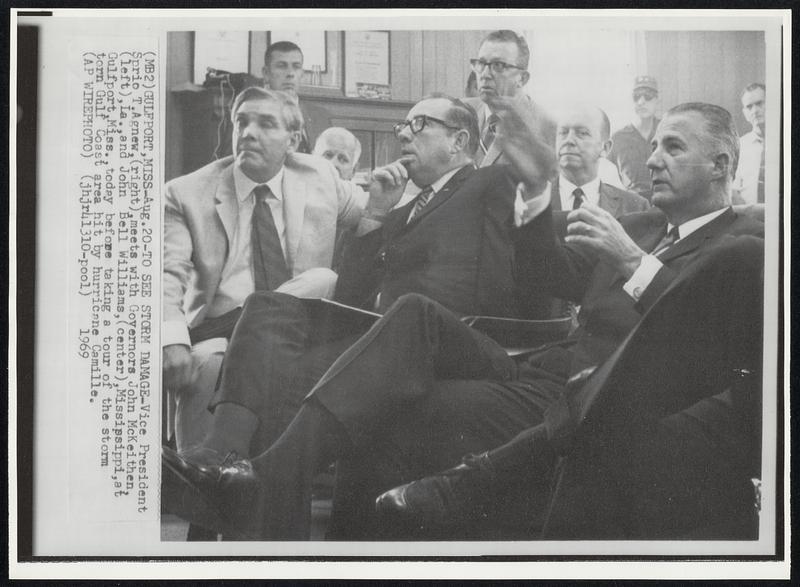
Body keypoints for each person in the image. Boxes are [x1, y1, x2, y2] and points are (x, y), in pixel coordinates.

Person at [162, 93, 541, 538]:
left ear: (458, 141)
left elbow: (529, 233)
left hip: (447, 338)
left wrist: (526, 139)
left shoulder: (490, 184)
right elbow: (355, 289)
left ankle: (240, 496)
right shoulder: (405, 208)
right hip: (381, 337)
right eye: (403, 124)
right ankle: (220, 461)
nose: (403, 133)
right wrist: (377, 214)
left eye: (419, 125)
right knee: (268, 314)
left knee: (311, 359)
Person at [162, 86, 369, 452]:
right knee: (207, 364)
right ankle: (196, 470)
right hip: (217, 326)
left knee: (324, 280)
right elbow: (165, 276)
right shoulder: (185, 193)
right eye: (241, 121)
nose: (248, 133)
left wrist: (387, 195)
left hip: (293, 329)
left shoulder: (319, 174)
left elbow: (375, 212)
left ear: (293, 139)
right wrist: (172, 339)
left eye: (266, 124)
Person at [463, 30, 556, 167]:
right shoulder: (461, 112)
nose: (485, 74)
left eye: (498, 65)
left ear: (522, 79)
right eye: (481, 64)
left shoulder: (547, 128)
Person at [262, 40, 332, 154]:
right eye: (281, 66)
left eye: (296, 67)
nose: (290, 73)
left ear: (302, 74)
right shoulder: (251, 113)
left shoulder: (320, 117)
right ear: (266, 73)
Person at [607, 75, 661, 201]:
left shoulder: (667, 131)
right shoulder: (618, 139)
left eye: (648, 96)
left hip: (664, 204)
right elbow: (607, 178)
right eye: (636, 96)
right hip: (632, 206)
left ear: (657, 100)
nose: (641, 102)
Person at [733, 83, 766, 204]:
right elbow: (732, 190)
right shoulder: (739, 146)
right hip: (749, 218)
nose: (755, 111)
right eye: (749, 107)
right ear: (745, 113)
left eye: (760, 103)